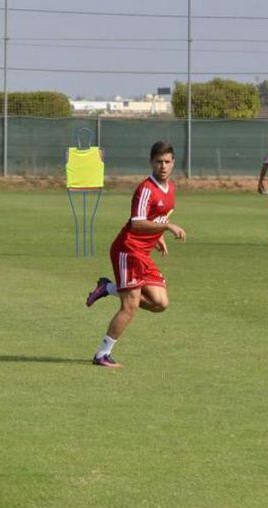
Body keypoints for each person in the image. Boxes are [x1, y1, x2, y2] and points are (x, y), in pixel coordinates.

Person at [84, 141, 187, 368]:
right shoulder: (145, 189)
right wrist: (167, 228)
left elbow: (156, 217)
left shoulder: (171, 189)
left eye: (167, 162)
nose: (163, 166)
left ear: (173, 163)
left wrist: (158, 235)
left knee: (160, 303)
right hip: (128, 250)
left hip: (143, 253)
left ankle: (108, 288)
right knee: (130, 306)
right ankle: (102, 354)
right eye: (159, 161)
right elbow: (138, 223)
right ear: (151, 162)